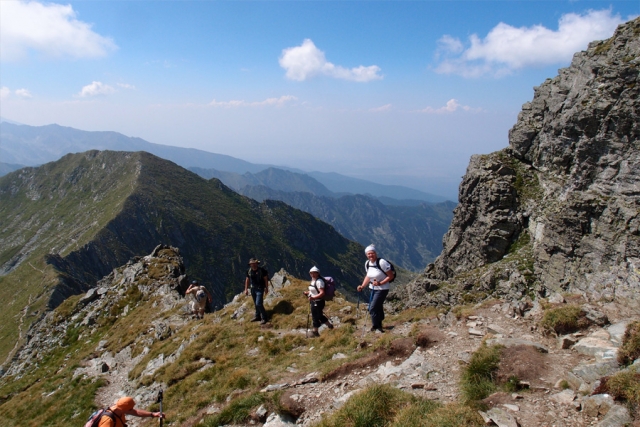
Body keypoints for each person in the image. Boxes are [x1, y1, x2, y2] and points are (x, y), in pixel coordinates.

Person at [357, 245, 393, 333]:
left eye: (372, 253)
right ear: (366, 255)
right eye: (368, 254)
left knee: (372, 308)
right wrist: (362, 286)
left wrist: (380, 283)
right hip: (372, 288)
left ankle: (376, 326)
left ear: (375, 253)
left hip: (382, 289)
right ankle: (379, 324)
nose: (370, 255)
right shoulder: (367, 263)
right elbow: (368, 276)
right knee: (377, 306)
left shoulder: (382, 262)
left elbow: (390, 276)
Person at [304, 266, 334, 337]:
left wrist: (313, 297)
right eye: (311, 273)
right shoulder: (313, 280)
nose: (313, 274)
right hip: (315, 301)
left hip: (317, 302)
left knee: (315, 317)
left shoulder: (319, 281)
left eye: (314, 273)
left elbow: (322, 293)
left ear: (318, 273)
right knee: (319, 315)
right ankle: (330, 326)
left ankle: (315, 332)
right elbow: (314, 290)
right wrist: (308, 293)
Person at [98, 396, 164, 427]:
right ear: (124, 409)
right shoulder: (108, 420)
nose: (132, 410)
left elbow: (135, 412)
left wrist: (153, 414)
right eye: (130, 409)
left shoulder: (119, 409)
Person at [244, 258, 269, 324]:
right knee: (256, 303)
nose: (253, 265)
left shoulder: (261, 270)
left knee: (258, 303)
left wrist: (266, 288)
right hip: (253, 289)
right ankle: (257, 316)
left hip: (260, 289)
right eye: (251, 264)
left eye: (254, 264)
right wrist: (246, 289)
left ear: (256, 264)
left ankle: (264, 317)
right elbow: (247, 280)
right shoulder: (249, 271)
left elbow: (265, 279)